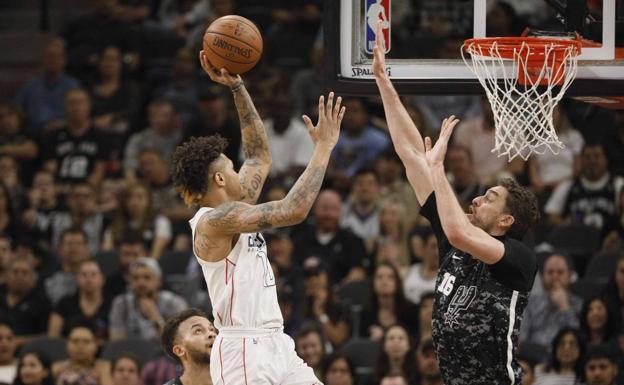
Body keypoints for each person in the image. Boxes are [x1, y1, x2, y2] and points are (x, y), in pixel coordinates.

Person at [372, 21, 540, 384]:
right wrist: (386, 86)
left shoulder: (517, 259)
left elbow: (460, 232)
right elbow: (411, 154)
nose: (478, 198)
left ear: (507, 220)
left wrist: (438, 168)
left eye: (490, 197)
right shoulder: (454, 239)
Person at [173, 49, 345, 385]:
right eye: (231, 168)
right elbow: (292, 210)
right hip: (242, 348)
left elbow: (259, 156)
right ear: (220, 180)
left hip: (276, 342)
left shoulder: (237, 209)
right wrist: (323, 149)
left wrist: (237, 88)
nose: (241, 170)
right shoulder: (214, 221)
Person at [108, 257, 187, 342]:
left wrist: (156, 319)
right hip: (130, 353)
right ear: (129, 282)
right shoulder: (121, 304)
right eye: (135, 278)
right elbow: (116, 342)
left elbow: (178, 343)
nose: (141, 283)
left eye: (147, 277)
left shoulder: (174, 303)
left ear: (159, 281)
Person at [521, 253, 583, 350]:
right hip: (533, 358)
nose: (555, 276)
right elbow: (521, 339)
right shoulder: (529, 303)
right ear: (542, 277)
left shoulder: (579, 304)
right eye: (550, 272)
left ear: (570, 276)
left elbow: (578, 340)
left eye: (560, 272)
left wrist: (564, 307)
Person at [48, 260, 112, 343]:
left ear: (103, 279)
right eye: (84, 275)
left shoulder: (113, 303)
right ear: (77, 279)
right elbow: (53, 338)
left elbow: (115, 338)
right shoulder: (64, 303)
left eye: (93, 274)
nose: (88, 279)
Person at [161, 309, 217, 385]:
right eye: (198, 331)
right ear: (179, 350)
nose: (211, 334)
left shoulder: (235, 379)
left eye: (212, 329)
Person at [52, 321, 112, 385]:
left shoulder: (104, 368)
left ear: (96, 346)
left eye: (86, 342)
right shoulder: (56, 368)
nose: (80, 346)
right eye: (75, 341)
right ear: (67, 345)